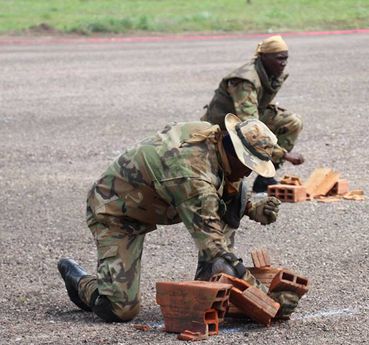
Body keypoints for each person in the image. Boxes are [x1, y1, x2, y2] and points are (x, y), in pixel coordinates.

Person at [57, 113, 299, 323]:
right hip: (115, 208)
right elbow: (215, 249)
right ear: (235, 151)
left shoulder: (212, 136)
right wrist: (266, 300)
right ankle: (80, 282)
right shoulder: (193, 180)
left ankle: (210, 284)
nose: (249, 172)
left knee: (238, 192)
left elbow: (226, 183)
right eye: (249, 165)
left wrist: (251, 208)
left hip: (159, 196)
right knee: (118, 309)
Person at [201, 35, 304, 192]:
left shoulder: (269, 74)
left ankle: (265, 177)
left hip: (242, 120)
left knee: (292, 122)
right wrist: (283, 154)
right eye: (278, 58)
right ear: (263, 57)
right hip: (221, 128)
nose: (283, 63)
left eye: (285, 59)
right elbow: (249, 127)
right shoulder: (245, 81)